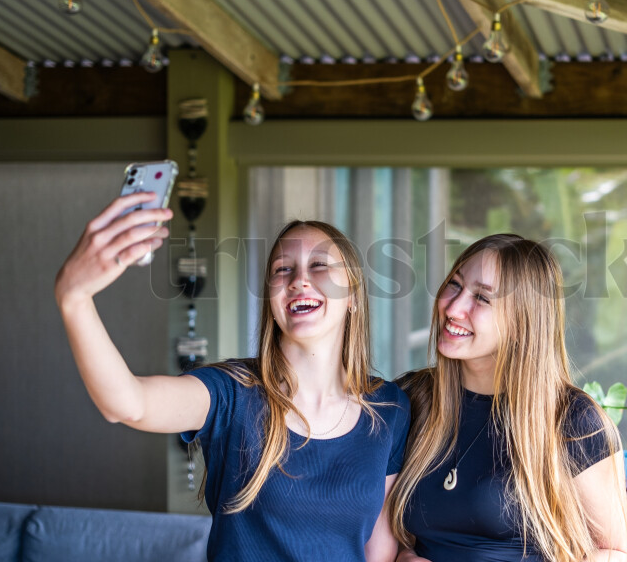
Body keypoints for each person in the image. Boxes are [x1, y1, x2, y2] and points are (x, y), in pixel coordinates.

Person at [54, 192, 410, 562]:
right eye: (282, 269)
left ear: (353, 295)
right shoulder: (232, 393)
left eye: (319, 265)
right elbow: (129, 403)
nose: (299, 280)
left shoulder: (390, 408)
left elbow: (379, 550)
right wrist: (74, 299)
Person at [387, 234, 627, 562]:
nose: (454, 308)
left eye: (482, 298)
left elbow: (615, 551)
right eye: (455, 284)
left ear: (522, 321)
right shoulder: (411, 397)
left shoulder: (572, 420)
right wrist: (403, 555)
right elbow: (369, 520)